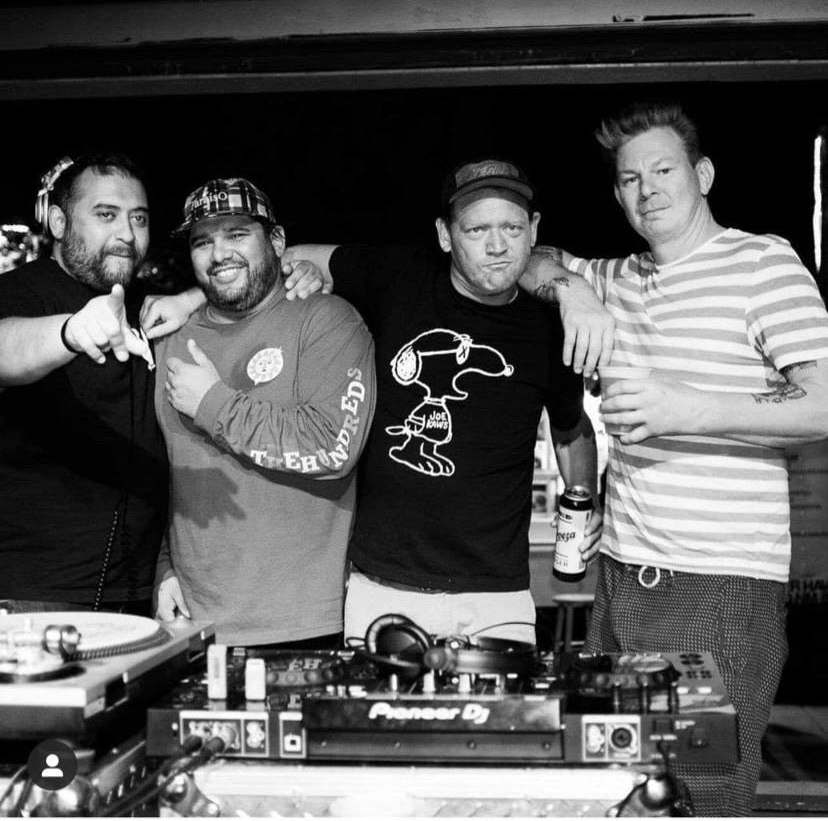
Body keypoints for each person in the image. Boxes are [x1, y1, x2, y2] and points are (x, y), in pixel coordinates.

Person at [144, 159, 604, 647]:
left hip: (497, 593)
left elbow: (570, 428)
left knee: (509, 702)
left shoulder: (551, 327)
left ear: (533, 229)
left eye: (511, 227)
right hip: (382, 588)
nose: (496, 245)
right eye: (476, 229)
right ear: (445, 235)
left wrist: (584, 496)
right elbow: (275, 260)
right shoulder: (397, 278)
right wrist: (190, 299)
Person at [524, 101, 828, 816]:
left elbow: (823, 404)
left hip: (718, 584)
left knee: (700, 797)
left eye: (663, 170)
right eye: (630, 179)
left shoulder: (762, 262)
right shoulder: (616, 276)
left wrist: (688, 408)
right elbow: (533, 258)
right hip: (621, 578)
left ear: (704, 175)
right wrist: (573, 290)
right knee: (619, 789)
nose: (647, 189)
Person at [152, 178, 376, 648]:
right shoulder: (171, 338)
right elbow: (169, 476)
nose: (219, 254)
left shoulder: (327, 320)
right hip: (191, 621)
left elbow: (332, 448)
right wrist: (164, 566)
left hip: (305, 624)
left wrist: (212, 402)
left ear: (276, 241)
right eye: (202, 242)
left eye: (236, 234)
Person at [0, 152, 168, 615]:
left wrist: (193, 298)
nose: (127, 234)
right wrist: (70, 332)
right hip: (35, 596)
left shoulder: (147, 305)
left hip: (140, 593)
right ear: (58, 222)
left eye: (138, 218)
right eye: (106, 215)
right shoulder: (19, 291)